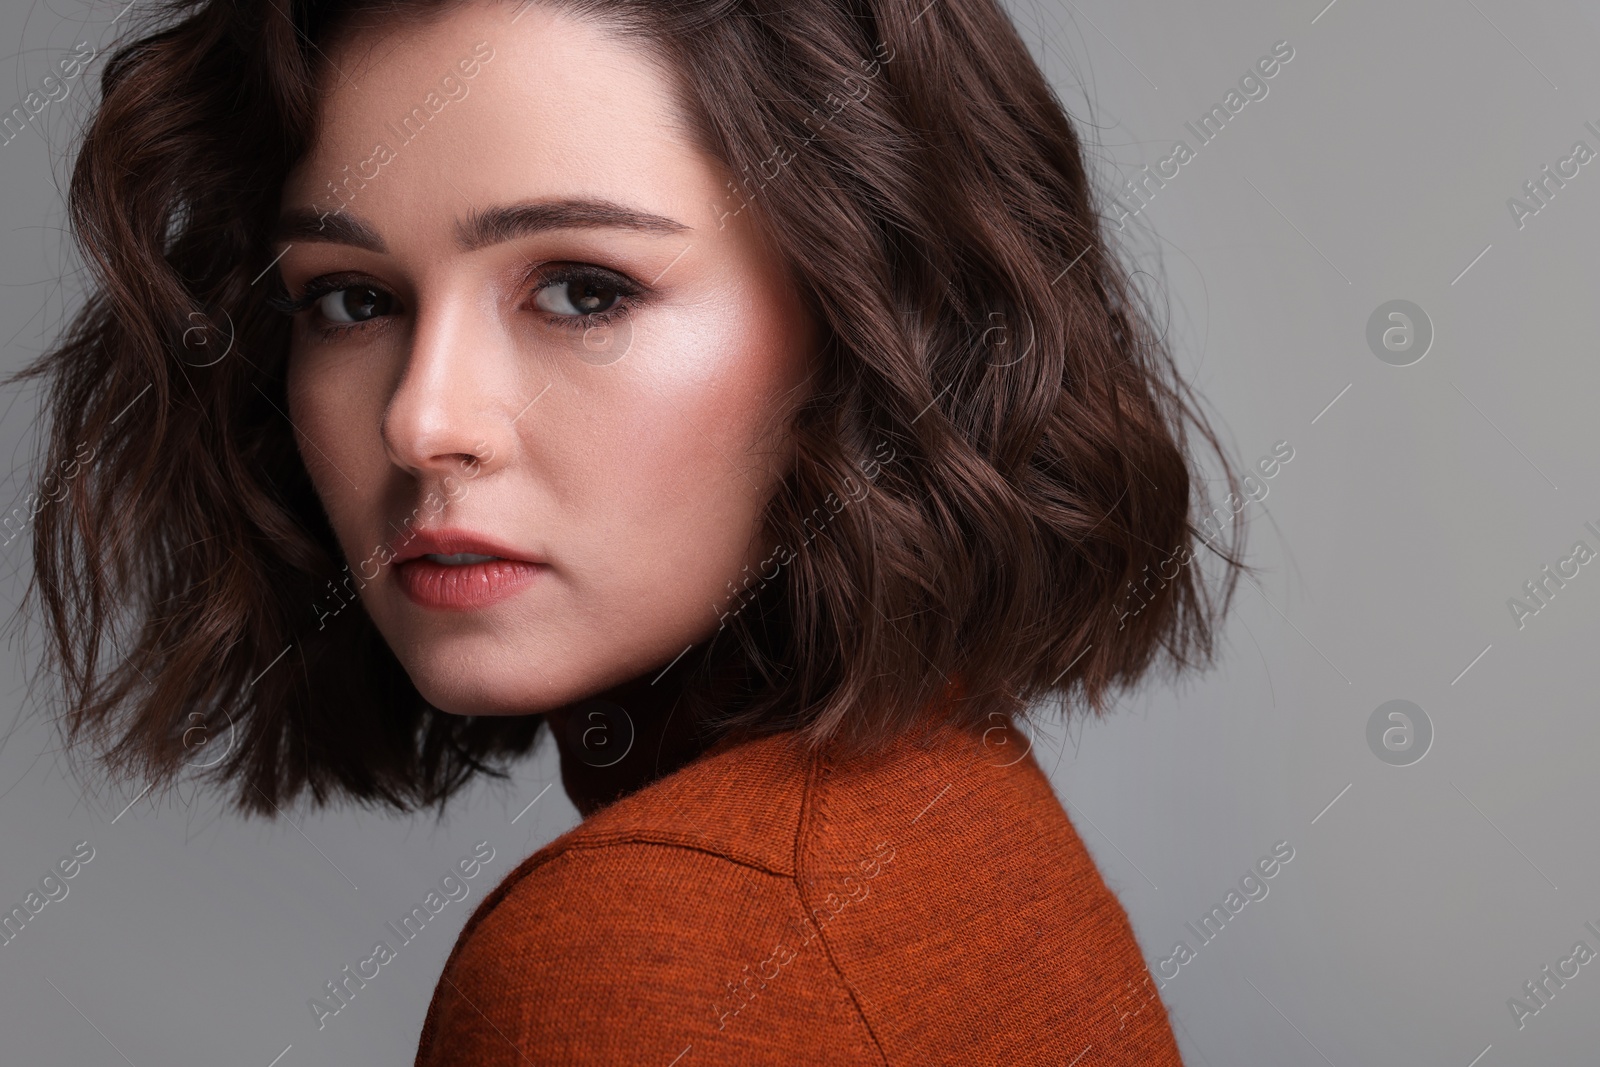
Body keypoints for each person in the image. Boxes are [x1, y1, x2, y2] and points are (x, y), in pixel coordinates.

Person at [19, 0, 1248, 1061]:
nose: (422, 420)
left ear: (873, 326)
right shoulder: (934, 819)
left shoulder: (664, 946)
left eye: (583, 290)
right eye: (352, 299)